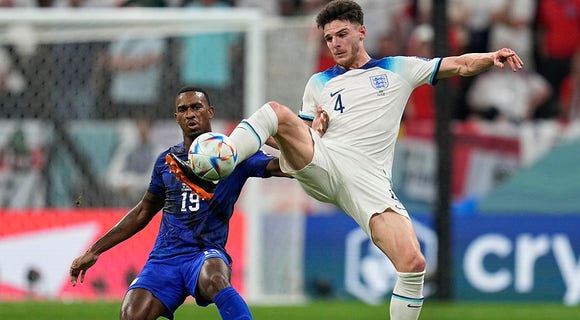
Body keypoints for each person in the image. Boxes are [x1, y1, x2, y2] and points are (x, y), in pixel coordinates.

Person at [172, 1, 523, 319]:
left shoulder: (397, 69)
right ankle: (225, 157)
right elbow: (300, 139)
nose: (335, 44)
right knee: (276, 112)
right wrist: (317, 130)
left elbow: (458, 65)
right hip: (324, 162)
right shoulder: (319, 82)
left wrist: (490, 57)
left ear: (361, 32)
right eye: (328, 39)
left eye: (341, 34)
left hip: (369, 181)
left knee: (413, 262)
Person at [68, 87, 290, 320]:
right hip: (166, 258)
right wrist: (94, 251)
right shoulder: (167, 161)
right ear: (176, 118)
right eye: (183, 110)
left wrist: (290, 142)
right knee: (131, 314)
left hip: (205, 253)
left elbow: (284, 167)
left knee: (215, 278)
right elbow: (143, 211)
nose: (190, 114)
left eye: (196, 107)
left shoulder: (233, 155)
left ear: (210, 111)